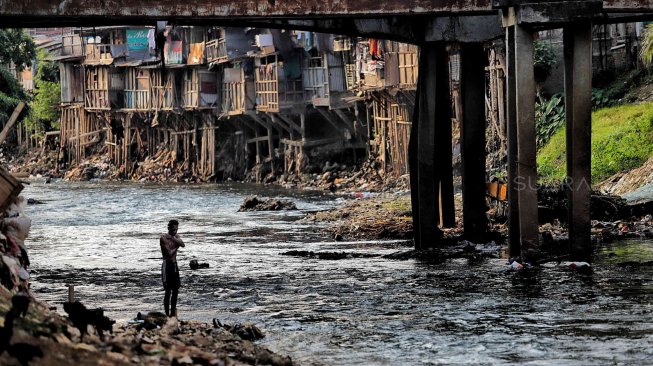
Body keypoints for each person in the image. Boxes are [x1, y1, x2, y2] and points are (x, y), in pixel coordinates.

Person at [160, 219, 185, 317]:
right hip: (167, 265)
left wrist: (174, 239)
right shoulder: (163, 238)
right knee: (168, 290)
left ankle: (173, 312)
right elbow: (169, 253)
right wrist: (177, 246)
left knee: (176, 290)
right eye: (173, 230)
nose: (175, 232)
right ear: (169, 228)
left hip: (175, 265)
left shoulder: (176, 237)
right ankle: (167, 314)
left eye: (176, 230)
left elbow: (183, 244)